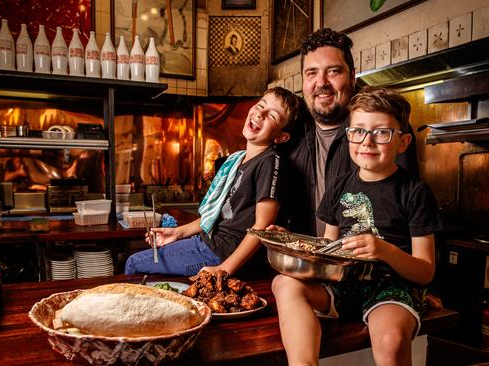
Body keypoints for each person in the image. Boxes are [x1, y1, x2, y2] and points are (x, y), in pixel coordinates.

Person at [271, 86, 441, 366]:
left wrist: (384, 251)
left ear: (403, 142)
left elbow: (425, 271)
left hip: (390, 290)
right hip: (342, 285)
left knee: (390, 340)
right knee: (284, 283)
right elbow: (329, 248)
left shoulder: (415, 192)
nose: (367, 142)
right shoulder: (339, 186)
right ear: (349, 134)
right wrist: (290, 241)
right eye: (358, 131)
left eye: (382, 132)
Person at [125, 87, 299, 277]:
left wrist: (224, 269)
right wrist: (177, 233)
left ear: (281, 137)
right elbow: (216, 215)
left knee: (134, 263)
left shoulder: (269, 162)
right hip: (208, 243)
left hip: (220, 252)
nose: (261, 114)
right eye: (260, 105)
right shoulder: (237, 160)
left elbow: (262, 227)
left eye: (272, 116)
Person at [278, 28, 418, 237]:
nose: (322, 82)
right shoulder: (291, 128)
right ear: (303, 80)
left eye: (333, 71)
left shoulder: (384, 133)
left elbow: (399, 215)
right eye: (312, 73)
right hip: (305, 262)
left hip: (362, 265)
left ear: (352, 76)